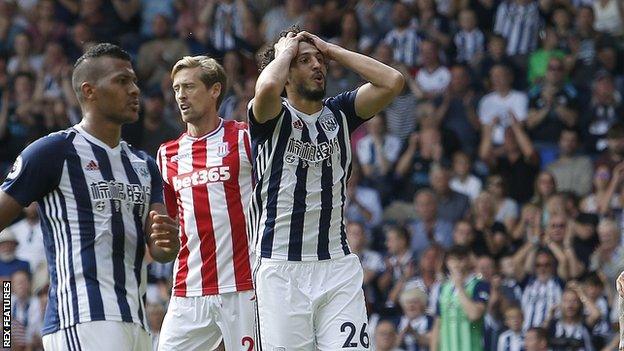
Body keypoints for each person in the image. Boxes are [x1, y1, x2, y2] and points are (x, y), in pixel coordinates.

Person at [0, 43, 179, 350]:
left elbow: (160, 250)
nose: (135, 90)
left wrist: (168, 243)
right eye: (122, 81)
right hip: (83, 318)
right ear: (90, 91)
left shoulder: (144, 165)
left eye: (134, 81)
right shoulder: (53, 152)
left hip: (137, 323)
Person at [249, 25, 404, 349]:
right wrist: (285, 52)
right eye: (305, 61)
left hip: (337, 267)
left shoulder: (341, 112)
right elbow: (265, 89)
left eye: (319, 60)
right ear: (285, 72)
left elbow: (392, 81)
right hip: (280, 268)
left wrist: (330, 49)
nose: (317, 65)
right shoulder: (271, 117)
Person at [155, 55, 256, 350]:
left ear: (214, 91)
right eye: (176, 89)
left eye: (189, 87)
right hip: (189, 288)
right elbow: (174, 227)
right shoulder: (166, 154)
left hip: (243, 286)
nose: (181, 96)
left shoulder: (244, 138)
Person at [430, 246, 490, 351]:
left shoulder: (480, 285)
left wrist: (459, 287)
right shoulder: (442, 288)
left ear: (468, 261)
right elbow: (437, 325)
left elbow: (474, 315)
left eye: (460, 259)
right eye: (452, 259)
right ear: (447, 262)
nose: (456, 264)